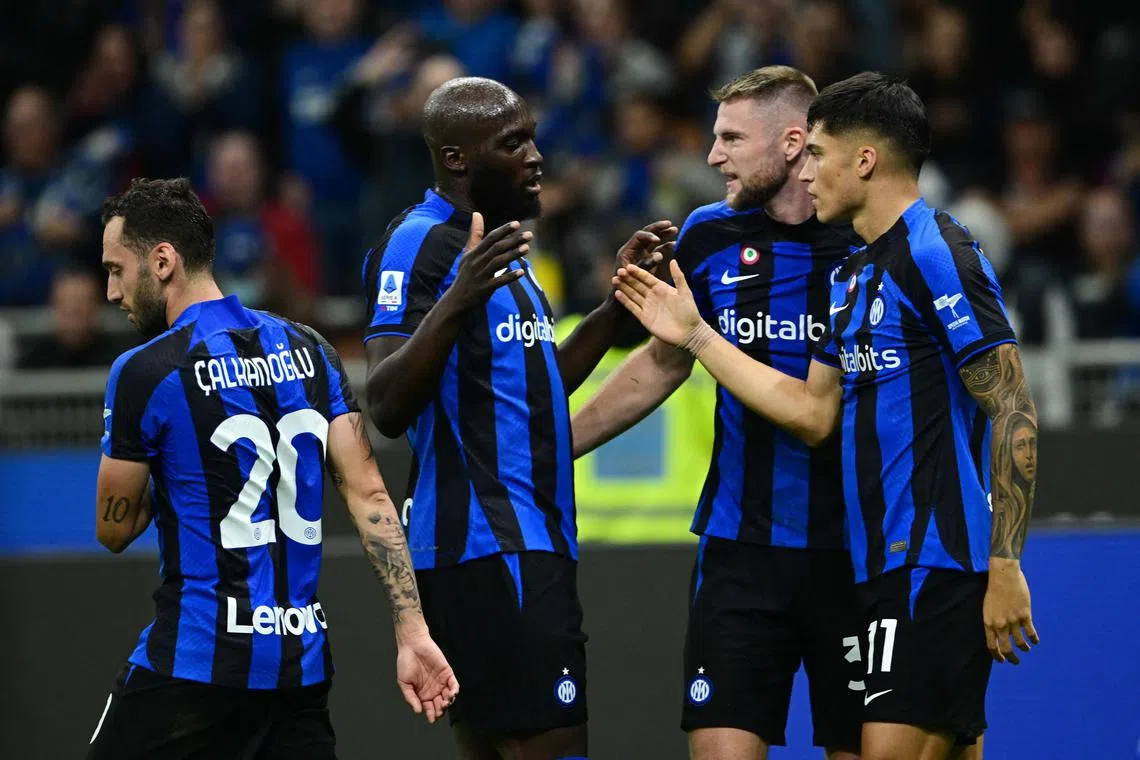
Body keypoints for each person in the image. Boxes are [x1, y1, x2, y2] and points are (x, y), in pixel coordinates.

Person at [611, 72, 1040, 760]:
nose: (806, 173)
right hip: (872, 564)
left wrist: (1005, 562)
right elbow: (813, 410)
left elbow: (1013, 405)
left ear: (863, 160)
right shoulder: (851, 277)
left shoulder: (937, 251)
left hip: (933, 557)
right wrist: (691, 335)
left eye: (816, 154)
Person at [87, 178, 457, 759]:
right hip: (297, 673)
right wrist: (413, 631)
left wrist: (178, 472)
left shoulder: (144, 372)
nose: (112, 292)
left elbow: (113, 529)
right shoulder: (312, 350)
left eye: (116, 270)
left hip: (193, 666)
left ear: (162, 261)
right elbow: (370, 498)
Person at [362, 76, 674, 760]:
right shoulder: (420, 244)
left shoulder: (502, 253)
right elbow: (383, 403)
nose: (536, 156)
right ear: (456, 159)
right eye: (512, 143)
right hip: (486, 545)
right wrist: (458, 298)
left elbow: (534, 386)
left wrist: (615, 308)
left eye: (532, 138)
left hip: (529, 537)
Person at [572, 66, 862, 760]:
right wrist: (554, 446)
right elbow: (663, 361)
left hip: (853, 552)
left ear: (792, 143)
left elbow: (819, 415)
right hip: (740, 552)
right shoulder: (708, 235)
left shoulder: (864, 242)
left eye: (732, 138)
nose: (712, 156)